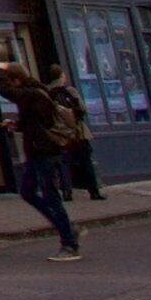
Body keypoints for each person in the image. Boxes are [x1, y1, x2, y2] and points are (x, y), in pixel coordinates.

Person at [0, 59, 83, 259]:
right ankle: (66, 228)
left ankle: (69, 243)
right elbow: (36, 121)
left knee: (50, 195)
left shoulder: (32, 94)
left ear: (15, 80)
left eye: (11, 80)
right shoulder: (35, 93)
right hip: (37, 151)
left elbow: (8, 93)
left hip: (45, 152)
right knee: (28, 192)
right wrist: (17, 125)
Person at [44, 66, 104, 200]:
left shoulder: (46, 93)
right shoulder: (70, 91)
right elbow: (82, 109)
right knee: (85, 161)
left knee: (63, 163)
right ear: (61, 76)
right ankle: (94, 191)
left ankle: (67, 192)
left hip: (58, 133)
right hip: (77, 132)